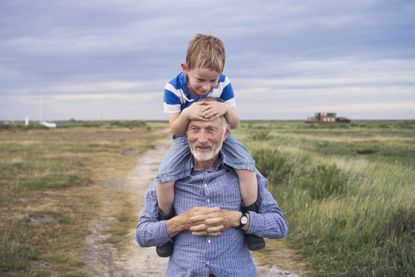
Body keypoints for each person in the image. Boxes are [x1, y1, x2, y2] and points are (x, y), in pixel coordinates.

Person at [136, 114, 288, 276]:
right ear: (186, 133)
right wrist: (180, 222)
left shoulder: (247, 174)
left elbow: (279, 226)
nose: (202, 139)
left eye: (211, 130)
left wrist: (238, 219)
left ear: (225, 133)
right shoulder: (167, 178)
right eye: (195, 130)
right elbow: (143, 235)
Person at [155, 33, 264, 257]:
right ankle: (166, 224)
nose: (206, 86)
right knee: (165, 176)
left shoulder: (224, 83)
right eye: (200, 80)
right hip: (185, 137)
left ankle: (251, 218)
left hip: (221, 134)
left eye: (212, 80)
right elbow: (175, 128)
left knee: (246, 166)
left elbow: (235, 123)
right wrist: (187, 113)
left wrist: (225, 109)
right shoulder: (173, 88)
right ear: (185, 68)